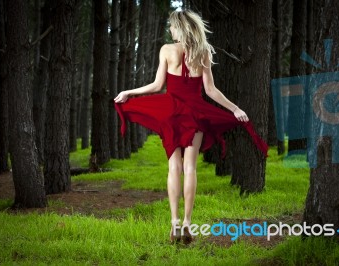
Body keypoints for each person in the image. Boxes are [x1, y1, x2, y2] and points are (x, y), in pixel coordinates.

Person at [114, 10, 268, 244]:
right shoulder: (203, 51)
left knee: (174, 167)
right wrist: (234, 108)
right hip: (194, 114)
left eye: (172, 27)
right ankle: (187, 222)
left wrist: (128, 92)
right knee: (190, 168)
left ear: (179, 27)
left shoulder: (167, 50)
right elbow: (210, 91)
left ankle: (174, 222)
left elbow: (157, 86)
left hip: (170, 114)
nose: (171, 31)